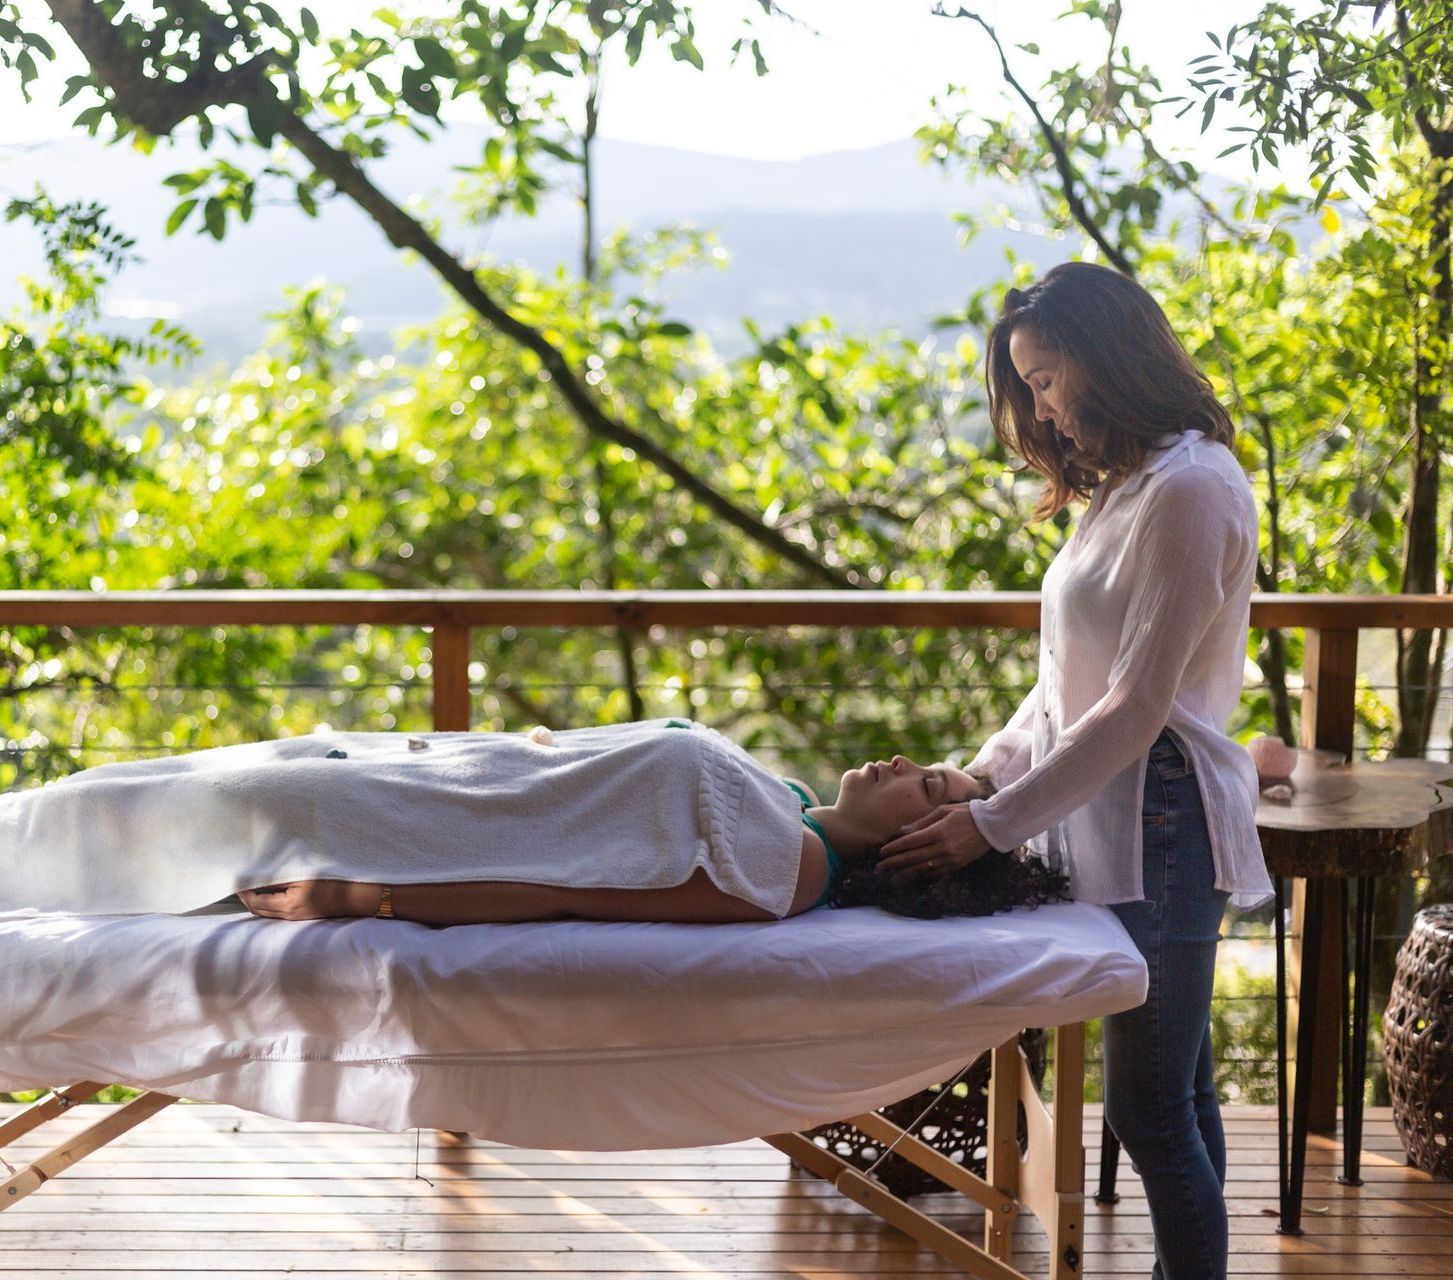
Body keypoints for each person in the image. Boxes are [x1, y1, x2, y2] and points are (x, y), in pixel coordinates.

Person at [879, 262, 1273, 1280]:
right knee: (1173, 1096)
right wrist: (980, 774)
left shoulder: (1189, 488)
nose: (1043, 408)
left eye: (1048, 377)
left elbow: (1137, 707)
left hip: (1163, 814)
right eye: (1030, 385)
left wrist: (992, 824)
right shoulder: (1125, 488)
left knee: (1150, 1106)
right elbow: (1064, 687)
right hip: (1119, 806)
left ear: (1108, 357)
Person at [0, 715, 1065, 924]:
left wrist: (367, 896)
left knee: (78, 832)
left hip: (387, 821)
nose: (907, 763)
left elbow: (572, 892)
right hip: (401, 773)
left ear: (917, 848)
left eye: (929, 788)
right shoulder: (786, 810)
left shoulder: (780, 870)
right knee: (82, 805)